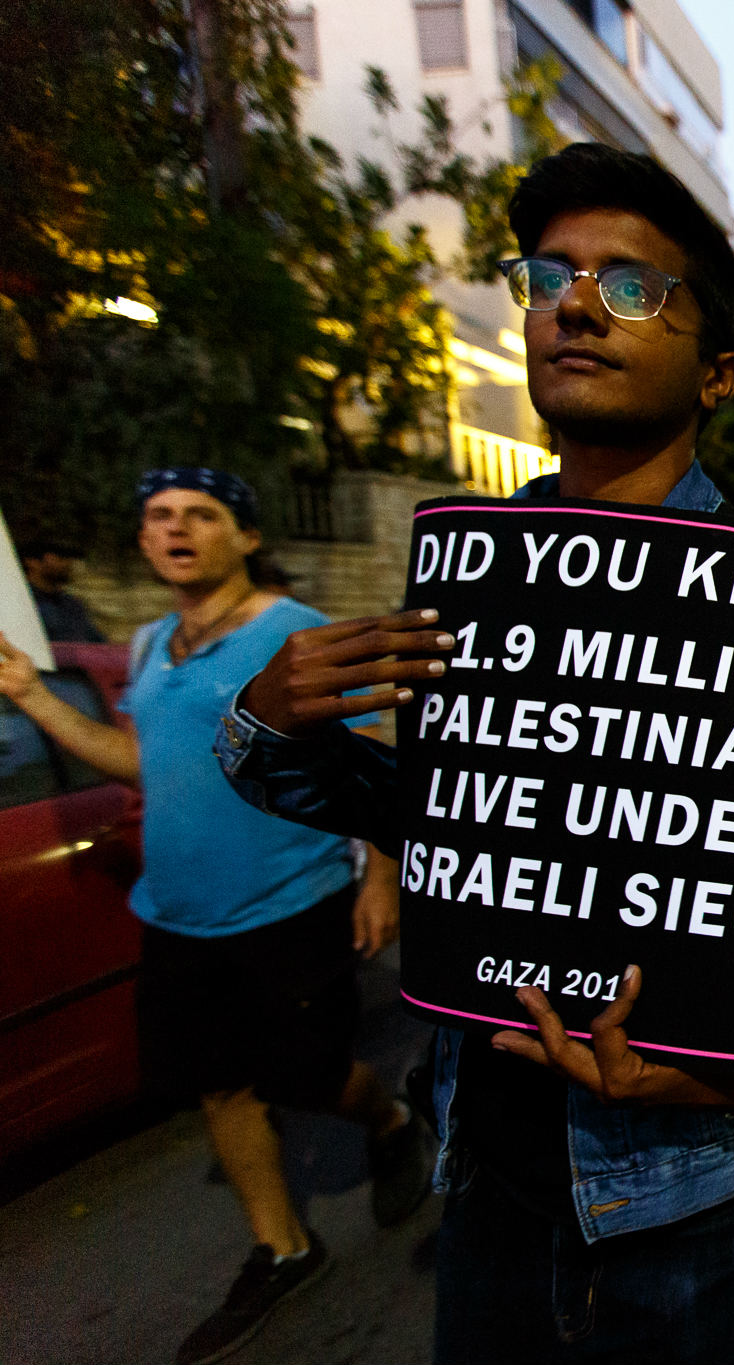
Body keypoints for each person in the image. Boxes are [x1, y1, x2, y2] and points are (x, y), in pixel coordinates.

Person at [213, 144, 734, 1364]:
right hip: (495, 1187)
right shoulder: (470, 575)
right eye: (550, 275)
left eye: (627, 286)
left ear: (719, 370)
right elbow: (449, 820)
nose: (572, 303)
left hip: (725, 1197)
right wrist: (264, 723)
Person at [0, 468, 429, 1365]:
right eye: (159, 517)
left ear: (246, 536)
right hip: (177, 915)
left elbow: (388, 760)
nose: (176, 530)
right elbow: (141, 761)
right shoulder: (153, 641)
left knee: (307, 1077)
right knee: (219, 1084)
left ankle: (386, 1120)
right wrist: (34, 698)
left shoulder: (298, 635)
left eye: (201, 514)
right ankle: (283, 1248)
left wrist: (380, 879)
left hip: (291, 904)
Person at [18, 536, 106, 642]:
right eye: (60, 557)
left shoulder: (72, 605)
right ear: (32, 562)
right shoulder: (21, 602)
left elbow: (97, 644)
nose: (68, 563)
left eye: (69, 558)